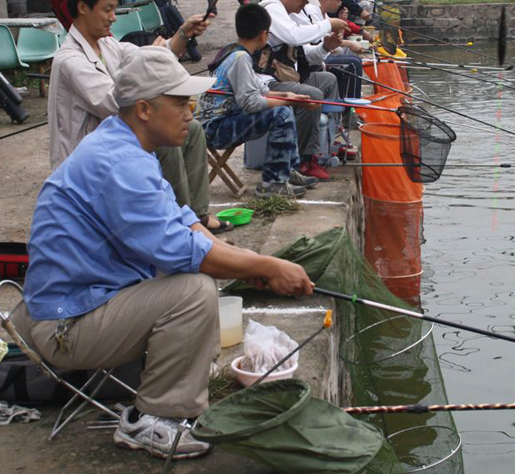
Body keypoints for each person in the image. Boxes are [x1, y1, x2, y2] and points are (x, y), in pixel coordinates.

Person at [12, 46, 315, 460]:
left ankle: (161, 393)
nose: (191, 111)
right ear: (144, 110)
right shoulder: (121, 163)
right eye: (180, 103)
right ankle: (150, 419)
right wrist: (266, 265)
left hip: (80, 305)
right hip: (66, 326)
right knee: (193, 291)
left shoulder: (126, 146)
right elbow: (183, 253)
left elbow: (180, 220)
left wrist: (235, 256)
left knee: (202, 270)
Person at [49, 0, 231, 233]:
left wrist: (183, 33)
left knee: (191, 130)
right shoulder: (70, 60)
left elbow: (150, 61)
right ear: (82, 7)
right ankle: (181, 224)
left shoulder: (108, 45)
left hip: (113, 141)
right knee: (162, 134)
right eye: (107, 9)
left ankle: (197, 216)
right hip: (88, 160)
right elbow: (114, 103)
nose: (113, 17)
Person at [199, 4, 319, 198]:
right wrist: (288, 103)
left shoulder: (236, 52)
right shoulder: (239, 58)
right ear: (264, 34)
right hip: (214, 129)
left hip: (222, 122)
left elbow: (261, 90)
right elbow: (251, 103)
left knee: (284, 109)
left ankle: (286, 170)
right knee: (282, 114)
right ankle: (273, 181)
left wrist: (288, 97)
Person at [260, 0, 349, 180]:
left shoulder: (289, 13)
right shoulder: (272, 9)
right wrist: (328, 25)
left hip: (290, 77)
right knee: (312, 95)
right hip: (269, 82)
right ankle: (304, 159)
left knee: (328, 79)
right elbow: (294, 36)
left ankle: (328, 140)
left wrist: (326, 47)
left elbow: (306, 53)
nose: (305, 5)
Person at [306, 0, 365, 99]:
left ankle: (348, 98)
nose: (340, 4)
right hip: (314, 60)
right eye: (338, 0)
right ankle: (351, 106)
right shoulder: (312, 11)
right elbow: (319, 41)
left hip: (323, 54)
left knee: (354, 59)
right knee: (354, 64)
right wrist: (349, 43)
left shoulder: (324, 14)